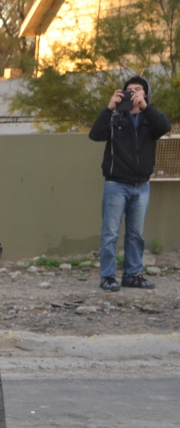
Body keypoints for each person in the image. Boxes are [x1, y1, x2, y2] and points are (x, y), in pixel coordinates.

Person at [88, 75, 170, 291]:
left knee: (136, 235)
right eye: (129, 90)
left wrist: (146, 107)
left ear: (145, 94)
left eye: (138, 90)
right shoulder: (115, 120)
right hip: (116, 185)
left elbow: (165, 126)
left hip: (141, 186)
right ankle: (107, 277)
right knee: (110, 233)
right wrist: (109, 108)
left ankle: (132, 275)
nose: (133, 93)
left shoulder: (150, 121)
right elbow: (95, 135)